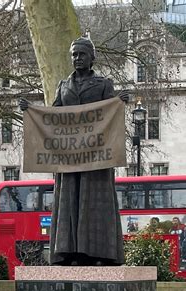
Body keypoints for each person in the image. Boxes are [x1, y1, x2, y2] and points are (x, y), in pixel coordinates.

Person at [20, 37, 128, 266]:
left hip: (96, 158)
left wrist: (119, 103)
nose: (77, 58)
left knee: (95, 204)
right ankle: (70, 253)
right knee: (69, 202)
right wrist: (31, 111)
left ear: (92, 58)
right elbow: (53, 118)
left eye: (82, 54)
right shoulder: (63, 86)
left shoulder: (103, 84)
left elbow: (109, 115)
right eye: (74, 55)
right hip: (69, 158)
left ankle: (100, 254)